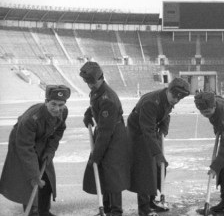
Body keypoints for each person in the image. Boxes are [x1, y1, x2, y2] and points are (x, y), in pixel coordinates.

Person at [0, 85, 70, 216]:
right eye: (53, 104)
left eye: (61, 104)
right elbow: (26, 148)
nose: (57, 108)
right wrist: (34, 174)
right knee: (31, 180)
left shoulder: (63, 111)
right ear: (46, 102)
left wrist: (50, 151)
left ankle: (44, 211)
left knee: (47, 178)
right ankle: (32, 212)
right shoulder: (31, 119)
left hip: (42, 141)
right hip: (21, 143)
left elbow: (59, 130)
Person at [128, 77, 191, 216]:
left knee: (158, 169)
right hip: (138, 134)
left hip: (150, 131)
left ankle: (151, 201)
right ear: (169, 90)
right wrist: (158, 154)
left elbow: (166, 115)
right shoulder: (151, 102)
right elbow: (147, 131)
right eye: (174, 96)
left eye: (179, 99)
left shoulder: (167, 99)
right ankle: (144, 210)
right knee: (145, 172)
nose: (176, 100)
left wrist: (163, 129)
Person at [80, 61, 131, 216]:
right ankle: (107, 207)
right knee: (103, 170)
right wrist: (88, 114)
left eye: (92, 82)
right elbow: (95, 106)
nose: (90, 85)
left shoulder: (107, 98)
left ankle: (116, 211)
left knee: (112, 171)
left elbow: (105, 133)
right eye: (87, 82)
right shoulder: (98, 91)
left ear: (101, 77)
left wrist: (96, 155)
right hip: (104, 131)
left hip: (114, 135)